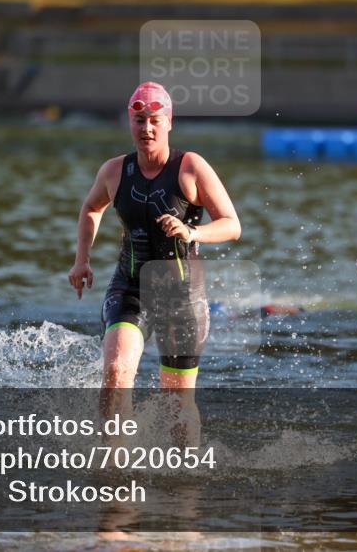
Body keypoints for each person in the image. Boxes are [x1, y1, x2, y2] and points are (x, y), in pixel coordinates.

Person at [68, 81, 241, 445]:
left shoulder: (190, 166)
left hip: (182, 297)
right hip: (129, 288)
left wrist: (192, 232)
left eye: (155, 120)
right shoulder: (115, 171)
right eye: (139, 120)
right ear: (129, 122)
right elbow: (91, 207)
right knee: (115, 373)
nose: (146, 128)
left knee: (178, 404)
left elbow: (231, 224)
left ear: (169, 123)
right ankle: (115, 468)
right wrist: (81, 260)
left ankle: (184, 479)